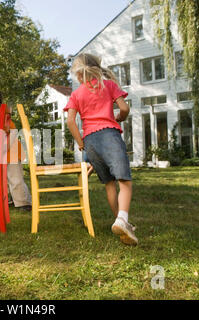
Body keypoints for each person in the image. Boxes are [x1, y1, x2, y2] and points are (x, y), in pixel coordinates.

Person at [64, 53, 138, 246]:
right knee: (125, 181)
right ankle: (122, 219)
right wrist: (118, 118)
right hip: (109, 136)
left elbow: (70, 121)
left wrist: (81, 143)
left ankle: (122, 223)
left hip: (90, 141)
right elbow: (125, 109)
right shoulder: (109, 86)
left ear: (80, 75)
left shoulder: (76, 94)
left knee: (109, 184)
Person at [0, 85, 32, 211]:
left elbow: (13, 131)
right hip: (0, 151)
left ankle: (23, 203)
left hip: (11, 149)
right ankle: (11, 199)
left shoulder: (1, 112)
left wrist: (5, 147)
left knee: (15, 177)